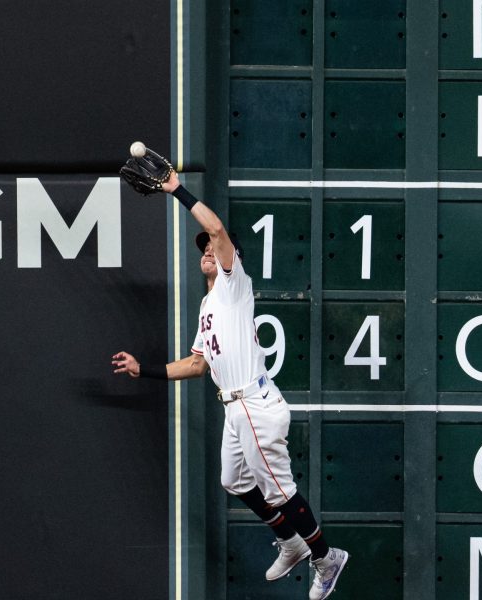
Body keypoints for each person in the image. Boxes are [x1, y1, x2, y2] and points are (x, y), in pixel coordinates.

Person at [111, 170, 348, 599]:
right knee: (234, 481)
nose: (206, 250)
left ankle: (326, 558)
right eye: (202, 249)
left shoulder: (233, 283)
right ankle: (292, 543)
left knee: (280, 492)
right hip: (234, 408)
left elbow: (216, 227)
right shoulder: (208, 304)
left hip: (254, 404)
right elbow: (198, 364)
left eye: (211, 248)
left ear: (229, 255)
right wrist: (143, 369)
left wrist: (175, 189)